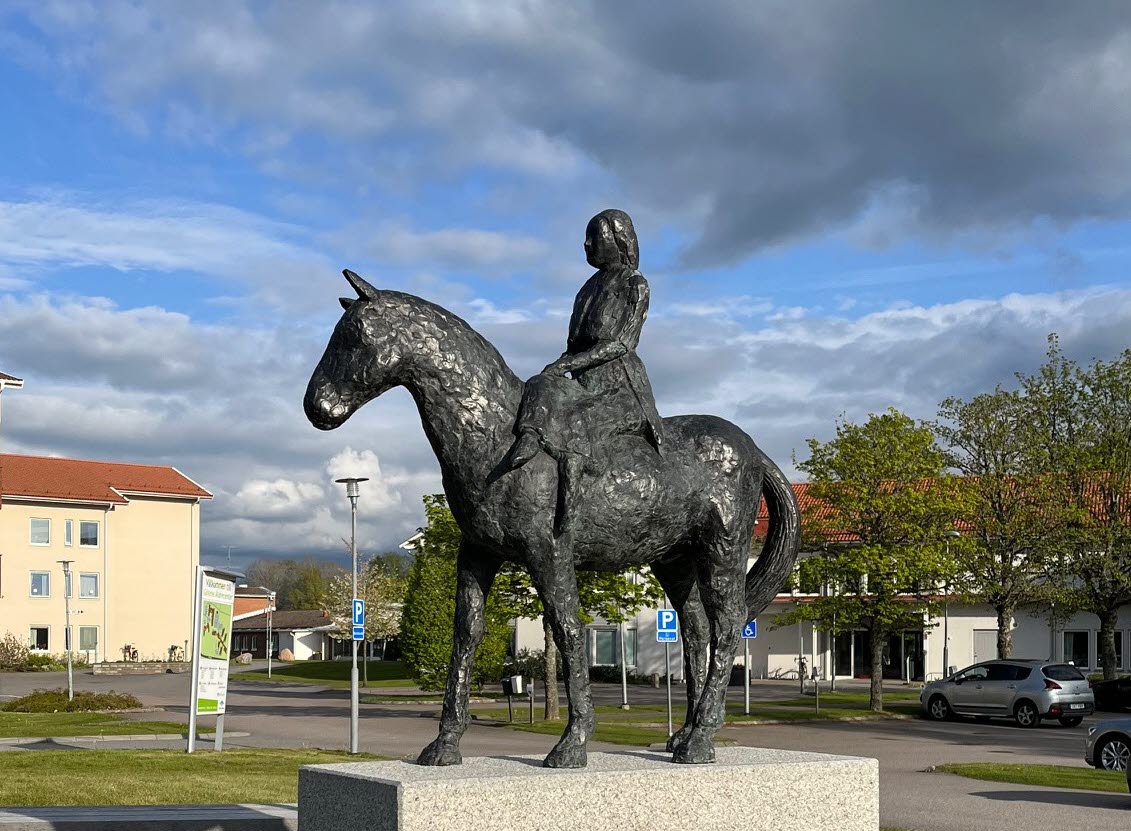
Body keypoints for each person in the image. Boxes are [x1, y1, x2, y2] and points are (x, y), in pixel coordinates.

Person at [500, 209, 663, 533]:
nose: (586, 244)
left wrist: (568, 364)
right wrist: (560, 366)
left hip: (619, 385)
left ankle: (571, 519)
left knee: (578, 423)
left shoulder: (636, 285)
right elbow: (573, 344)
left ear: (617, 240)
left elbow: (622, 343)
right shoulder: (587, 289)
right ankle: (530, 436)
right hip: (582, 382)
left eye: (594, 237)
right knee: (539, 382)